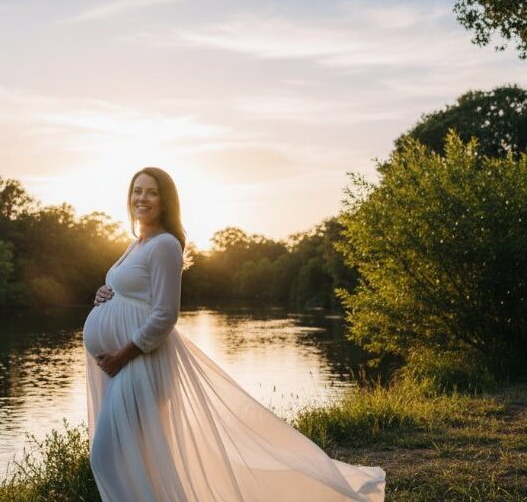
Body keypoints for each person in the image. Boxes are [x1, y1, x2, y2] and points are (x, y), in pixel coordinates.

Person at [82, 167, 386, 502]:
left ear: (165, 200)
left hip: (141, 364)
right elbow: (133, 292)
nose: (142, 198)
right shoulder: (137, 243)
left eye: (151, 192)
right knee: (140, 459)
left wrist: (123, 353)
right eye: (137, 190)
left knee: (105, 456)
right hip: (124, 367)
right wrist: (105, 291)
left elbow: (165, 315)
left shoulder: (166, 245)